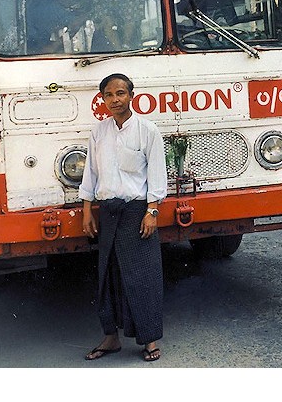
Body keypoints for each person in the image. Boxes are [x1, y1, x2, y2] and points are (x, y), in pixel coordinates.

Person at [80, 73, 167, 362]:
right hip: (107, 211)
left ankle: (150, 341)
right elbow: (90, 173)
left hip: (136, 212)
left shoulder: (147, 130)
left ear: (131, 95)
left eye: (120, 93)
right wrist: (87, 212)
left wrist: (151, 212)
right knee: (108, 275)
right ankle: (111, 338)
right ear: (102, 99)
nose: (115, 100)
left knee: (143, 276)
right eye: (108, 95)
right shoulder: (99, 132)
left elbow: (156, 175)